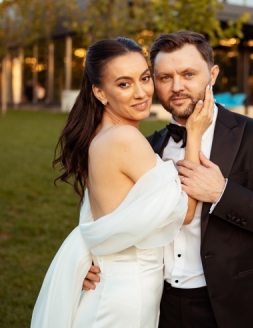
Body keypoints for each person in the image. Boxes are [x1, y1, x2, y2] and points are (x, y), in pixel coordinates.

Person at [84, 31, 253, 328]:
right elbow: (111, 214)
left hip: (237, 306)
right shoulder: (146, 147)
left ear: (212, 75)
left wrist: (222, 193)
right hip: (160, 306)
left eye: (188, 74)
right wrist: (86, 263)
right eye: (164, 77)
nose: (177, 87)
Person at [31, 37, 215, 328]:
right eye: (124, 84)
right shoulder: (124, 138)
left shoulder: (102, 134)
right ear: (99, 92)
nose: (141, 92)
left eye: (145, 78)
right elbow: (185, 212)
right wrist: (194, 135)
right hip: (126, 295)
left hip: (117, 286)